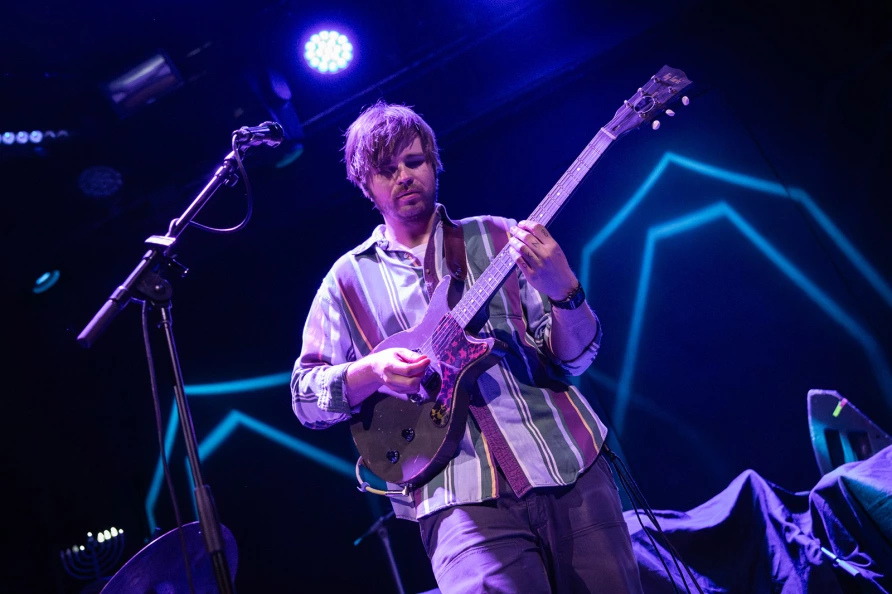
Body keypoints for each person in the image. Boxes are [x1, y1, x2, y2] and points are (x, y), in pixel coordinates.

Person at [291, 100, 642, 593]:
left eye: (414, 161)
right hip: (453, 500)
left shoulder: (501, 236)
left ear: (434, 163)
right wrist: (372, 370)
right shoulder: (346, 280)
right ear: (365, 184)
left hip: (569, 466)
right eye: (387, 170)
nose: (404, 176)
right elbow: (305, 399)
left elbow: (576, 357)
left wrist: (566, 291)